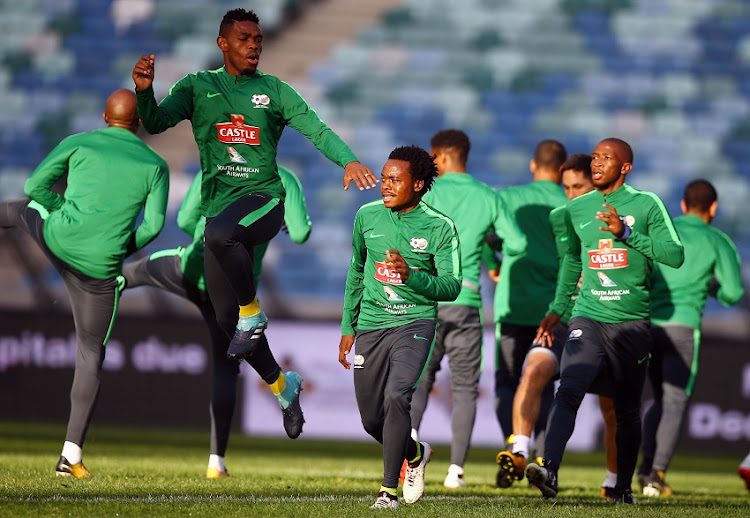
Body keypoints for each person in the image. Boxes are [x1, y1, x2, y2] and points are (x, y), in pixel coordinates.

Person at [132, 8, 375, 437]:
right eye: (245, 39)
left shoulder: (275, 91)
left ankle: (252, 312)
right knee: (227, 325)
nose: (254, 46)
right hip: (218, 209)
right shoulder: (197, 87)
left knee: (222, 240)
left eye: (259, 39)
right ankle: (285, 387)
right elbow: (154, 122)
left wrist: (349, 160)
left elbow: (316, 129)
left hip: (264, 200)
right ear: (223, 43)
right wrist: (145, 92)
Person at [0, 89, 169, 477]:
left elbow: (34, 188)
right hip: (100, 269)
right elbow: (154, 226)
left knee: (20, 210)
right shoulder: (156, 164)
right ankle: (70, 455)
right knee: (90, 354)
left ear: (104, 116)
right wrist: (116, 246)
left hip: (58, 238)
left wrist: (62, 212)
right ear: (139, 123)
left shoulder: (79, 142)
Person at [122, 165, 311, 477]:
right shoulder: (285, 179)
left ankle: (72, 446)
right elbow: (301, 233)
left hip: (191, 270)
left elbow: (183, 220)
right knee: (226, 368)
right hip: (234, 288)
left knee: (125, 275)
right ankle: (215, 463)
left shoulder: (214, 166)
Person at [526, 138, 684, 505]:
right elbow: (572, 262)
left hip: (631, 324)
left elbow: (674, 254)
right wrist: (557, 307)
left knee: (627, 408)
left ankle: (622, 488)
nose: (597, 163)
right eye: (594, 157)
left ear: (625, 167)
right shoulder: (577, 209)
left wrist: (626, 234)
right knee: (568, 388)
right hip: (588, 316)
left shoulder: (646, 204)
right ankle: (549, 469)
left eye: (606, 158)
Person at [338, 146, 461, 509]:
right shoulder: (366, 217)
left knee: (397, 396)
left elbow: (451, 286)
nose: (385, 185)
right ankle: (417, 453)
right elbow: (357, 271)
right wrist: (349, 325)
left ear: (418, 184)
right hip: (372, 327)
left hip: (415, 324)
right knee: (371, 420)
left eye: (395, 179)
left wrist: (413, 276)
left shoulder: (440, 227)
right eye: (384, 178)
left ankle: (387, 492)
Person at [406, 129, 524, 488]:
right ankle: (456, 471)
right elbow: (518, 243)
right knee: (464, 390)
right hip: (467, 300)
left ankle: (406, 450)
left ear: (439, 156)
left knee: (418, 381)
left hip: (427, 299)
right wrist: (491, 244)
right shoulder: (488, 196)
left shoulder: (426, 190)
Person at [496, 154, 619, 496]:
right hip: (564, 320)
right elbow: (567, 270)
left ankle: (613, 481)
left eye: (578, 187)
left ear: (596, 185)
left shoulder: (617, 220)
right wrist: (555, 310)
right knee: (533, 370)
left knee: (611, 407)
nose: (570, 195)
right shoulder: (561, 219)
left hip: (605, 322)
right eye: (565, 188)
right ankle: (521, 452)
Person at [637, 179, 744, 497]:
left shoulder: (664, 232)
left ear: (683, 205)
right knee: (673, 402)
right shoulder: (717, 240)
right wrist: (712, 288)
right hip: (682, 329)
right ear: (713, 208)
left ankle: (643, 467)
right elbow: (734, 292)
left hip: (647, 324)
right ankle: (656, 474)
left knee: (654, 399)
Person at [488, 139, 569, 485]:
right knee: (546, 384)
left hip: (513, 302)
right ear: (563, 170)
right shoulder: (570, 202)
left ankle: (515, 448)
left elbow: (485, 236)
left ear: (533, 165)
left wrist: (494, 263)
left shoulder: (507, 198)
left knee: (507, 381)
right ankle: (541, 456)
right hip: (554, 308)